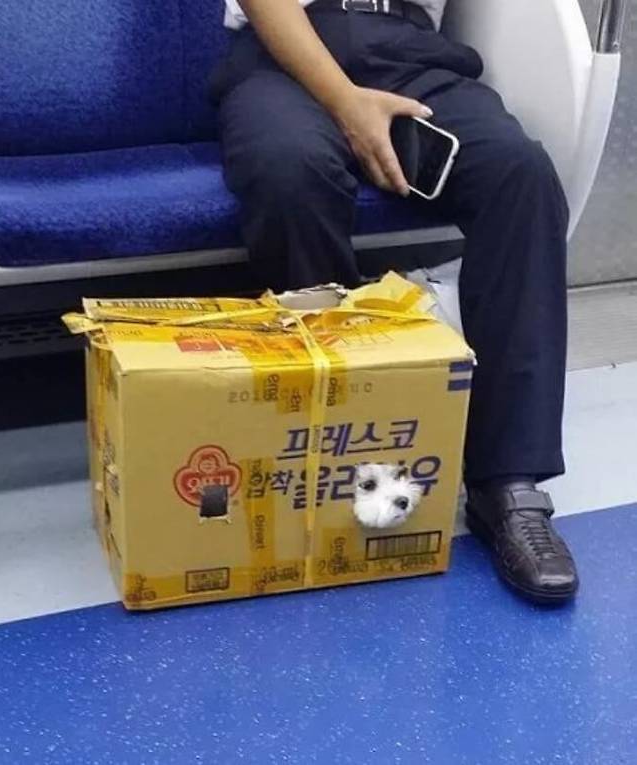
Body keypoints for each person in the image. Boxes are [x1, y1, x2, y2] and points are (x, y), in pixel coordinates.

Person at [211, 0, 579, 604]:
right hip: (285, 54)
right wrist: (346, 103)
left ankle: (509, 483)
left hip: (407, 46)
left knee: (521, 174)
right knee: (288, 169)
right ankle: (345, 460)